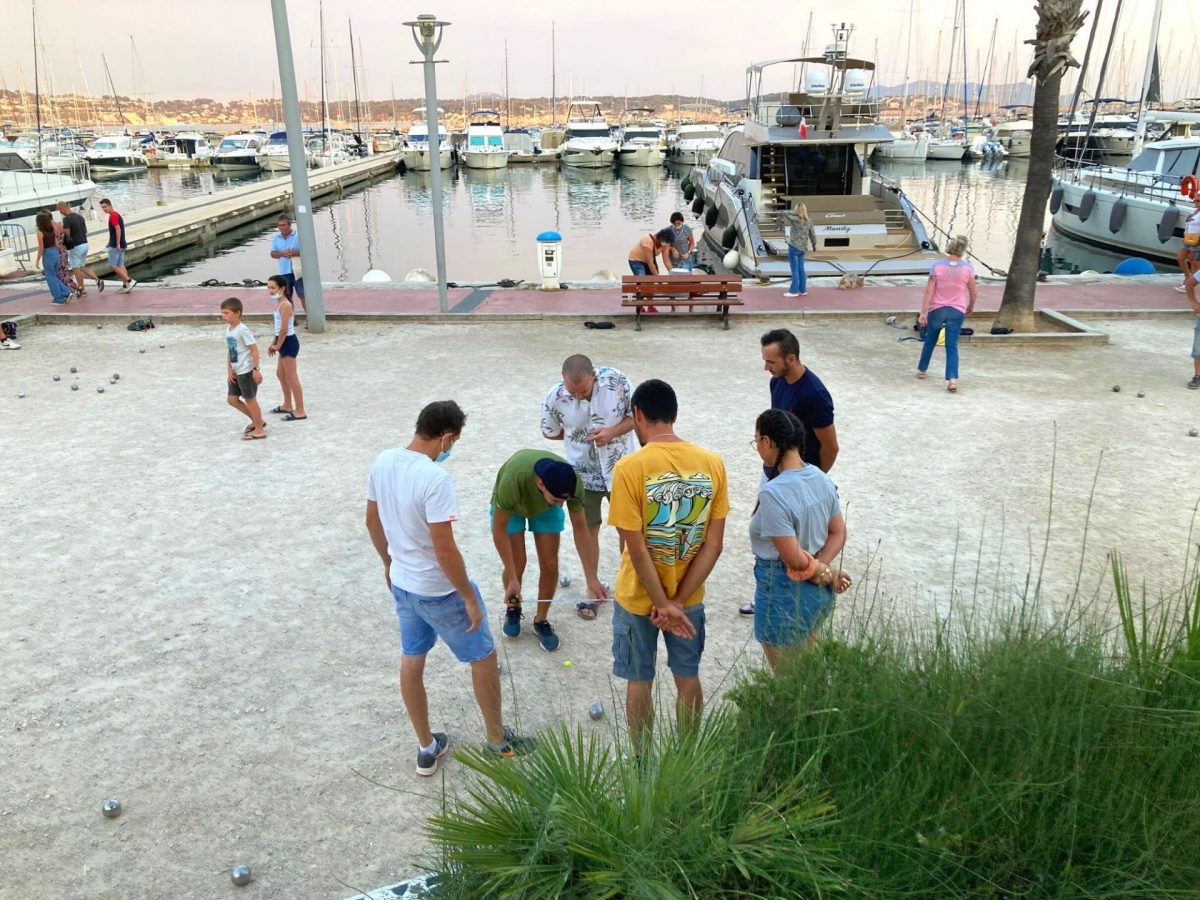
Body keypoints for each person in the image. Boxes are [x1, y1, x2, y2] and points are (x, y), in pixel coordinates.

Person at [365, 400, 525, 775]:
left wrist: (388, 563)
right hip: (439, 590)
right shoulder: (436, 479)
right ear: (446, 437)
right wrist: (468, 596)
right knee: (483, 656)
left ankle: (426, 746)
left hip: (404, 585)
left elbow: (372, 521)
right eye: (454, 442)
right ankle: (497, 741)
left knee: (412, 659)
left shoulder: (383, 461)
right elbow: (444, 547)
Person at [609, 379, 727, 754]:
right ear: (674, 415)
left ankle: (642, 759)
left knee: (639, 680)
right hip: (688, 598)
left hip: (638, 598)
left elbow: (637, 548)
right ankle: (687, 758)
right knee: (687, 677)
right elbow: (714, 543)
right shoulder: (712, 464)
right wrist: (677, 601)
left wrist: (661, 603)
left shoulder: (629, 467)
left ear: (638, 415)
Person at [742, 328, 839, 616]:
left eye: (771, 362)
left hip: (799, 474)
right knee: (771, 538)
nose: (766, 368)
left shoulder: (815, 395)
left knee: (800, 540)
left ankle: (810, 579)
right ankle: (767, 593)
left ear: (791, 358)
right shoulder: (778, 381)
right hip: (773, 472)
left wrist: (807, 480)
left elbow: (831, 447)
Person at [749, 409, 852, 673]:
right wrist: (823, 566)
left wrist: (825, 573)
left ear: (769, 442)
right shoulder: (820, 476)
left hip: (782, 590)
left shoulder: (773, 492)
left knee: (789, 683)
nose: (757, 447)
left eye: (757, 441)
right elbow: (838, 532)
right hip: (817, 594)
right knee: (806, 670)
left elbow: (793, 558)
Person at [540, 354, 636, 620]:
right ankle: (593, 587)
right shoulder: (554, 396)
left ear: (594, 375)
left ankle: (630, 587)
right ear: (563, 380)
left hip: (622, 469)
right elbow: (549, 431)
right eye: (573, 391)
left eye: (583, 391)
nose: (578, 396)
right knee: (587, 529)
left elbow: (638, 418)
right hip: (582, 474)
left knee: (628, 529)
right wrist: (575, 437)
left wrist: (612, 433)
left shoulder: (618, 381)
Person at [490, 450, 604, 652]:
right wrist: (513, 579)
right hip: (513, 507)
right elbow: (499, 530)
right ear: (540, 483)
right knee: (517, 563)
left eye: (565, 501)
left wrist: (591, 578)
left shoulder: (572, 484)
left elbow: (581, 529)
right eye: (558, 500)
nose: (562, 506)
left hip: (545, 507)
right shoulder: (512, 481)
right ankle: (513, 607)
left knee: (550, 564)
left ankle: (541, 620)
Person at [917, 234, 977, 393]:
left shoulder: (937, 266)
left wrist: (923, 312)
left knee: (930, 339)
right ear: (963, 250)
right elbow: (973, 292)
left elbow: (929, 291)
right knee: (952, 345)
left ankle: (922, 370)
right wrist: (970, 306)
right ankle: (952, 379)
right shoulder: (967, 268)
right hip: (957, 309)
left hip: (937, 309)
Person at [219, 297, 266, 441]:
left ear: (237, 313)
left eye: (227, 313)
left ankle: (259, 430)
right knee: (232, 399)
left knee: (250, 399)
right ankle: (258, 421)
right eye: (222, 313)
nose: (223, 316)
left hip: (246, 371)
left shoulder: (243, 330)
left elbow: (254, 349)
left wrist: (256, 369)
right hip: (235, 371)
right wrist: (229, 369)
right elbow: (230, 350)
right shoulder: (229, 330)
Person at [265, 275, 307, 421]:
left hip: (288, 342)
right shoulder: (279, 303)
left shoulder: (286, 305)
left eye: (273, 288)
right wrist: (273, 343)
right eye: (268, 287)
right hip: (282, 341)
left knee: (291, 377)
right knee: (280, 374)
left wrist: (277, 345)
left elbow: (284, 330)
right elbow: (278, 330)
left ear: (282, 288)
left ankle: (300, 410)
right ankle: (287, 404)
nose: (270, 290)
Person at [627, 227, 677, 315]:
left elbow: (666, 260)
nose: (666, 244)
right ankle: (640, 306)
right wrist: (658, 279)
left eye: (668, 243)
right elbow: (650, 263)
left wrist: (672, 272)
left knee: (651, 284)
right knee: (642, 282)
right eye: (666, 242)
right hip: (636, 260)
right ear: (660, 238)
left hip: (649, 261)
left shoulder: (664, 245)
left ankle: (650, 306)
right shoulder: (647, 241)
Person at [57, 200, 101, 297]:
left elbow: (67, 235)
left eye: (60, 210)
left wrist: (61, 242)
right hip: (85, 244)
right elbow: (85, 230)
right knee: (81, 266)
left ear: (63, 208)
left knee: (76, 268)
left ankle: (82, 289)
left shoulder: (67, 219)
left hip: (75, 246)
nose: (60, 212)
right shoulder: (80, 217)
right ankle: (97, 279)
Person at [33, 211, 74, 305]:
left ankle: (59, 298)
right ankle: (65, 292)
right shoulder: (51, 230)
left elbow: (41, 247)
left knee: (50, 277)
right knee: (55, 276)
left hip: (48, 254)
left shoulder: (40, 232)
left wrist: (37, 260)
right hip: (55, 253)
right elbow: (57, 245)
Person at [270, 215, 306, 315]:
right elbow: (273, 254)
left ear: (290, 225)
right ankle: (291, 319)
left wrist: (296, 253)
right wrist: (282, 253)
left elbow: (308, 251)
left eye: (284, 225)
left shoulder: (298, 235)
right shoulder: (276, 238)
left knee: (303, 296)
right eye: (279, 225)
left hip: (298, 271)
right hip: (284, 272)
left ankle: (310, 318)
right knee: (287, 296)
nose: (282, 227)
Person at [780, 201, 817, 298]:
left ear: (796, 211)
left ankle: (794, 291)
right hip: (803, 249)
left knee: (794, 270)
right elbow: (812, 234)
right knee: (801, 269)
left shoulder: (794, 219)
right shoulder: (809, 220)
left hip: (794, 247)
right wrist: (814, 245)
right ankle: (802, 290)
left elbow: (784, 212)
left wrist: (795, 212)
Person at [98, 199, 136, 293]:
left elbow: (117, 229)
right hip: (121, 243)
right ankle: (125, 285)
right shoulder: (116, 214)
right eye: (102, 207)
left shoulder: (113, 215)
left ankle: (129, 281)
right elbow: (114, 232)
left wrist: (117, 243)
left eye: (105, 206)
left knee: (113, 265)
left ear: (110, 205)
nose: (104, 209)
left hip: (116, 245)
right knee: (120, 265)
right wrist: (110, 242)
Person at [1177, 197, 1200, 293]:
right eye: (1195, 200)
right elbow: (1188, 223)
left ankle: (1189, 283)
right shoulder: (1194, 210)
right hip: (1188, 237)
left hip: (1197, 238)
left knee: (1193, 261)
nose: (1195, 202)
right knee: (1180, 257)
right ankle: (1187, 277)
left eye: (1198, 201)